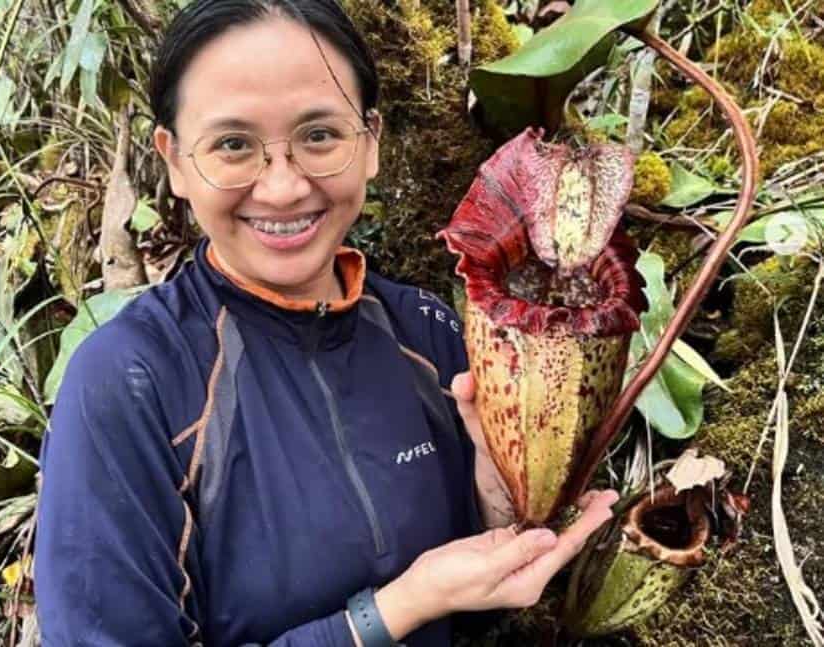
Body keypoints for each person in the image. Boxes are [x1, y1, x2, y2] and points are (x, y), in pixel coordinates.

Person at [33, 1, 619, 645]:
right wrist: (392, 611)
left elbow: (474, 601)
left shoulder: (424, 328)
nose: (283, 188)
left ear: (370, 143)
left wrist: (503, 505)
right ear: (174, 160)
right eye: (233, 144)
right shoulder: (128, 382)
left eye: (319, 136)